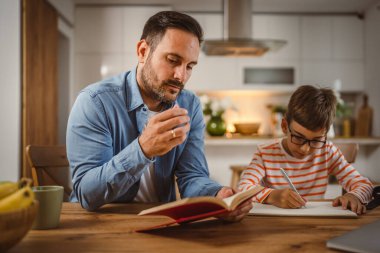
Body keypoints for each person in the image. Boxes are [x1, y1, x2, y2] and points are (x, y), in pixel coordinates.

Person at [66, 11, 251, 221]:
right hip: (100, 222)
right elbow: (86, 194)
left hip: (162, 223)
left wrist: (217, 196)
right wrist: (143, 150)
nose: (181, 76)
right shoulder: (95, 102)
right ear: (143, 51)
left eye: (190, 66)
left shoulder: (189, 105)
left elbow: (192, 177)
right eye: (173, 60)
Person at [238, 85, 373, 215]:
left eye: (315, 140)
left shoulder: (327, 151)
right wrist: (273, 196)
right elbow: (243, 188)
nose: (305, 149)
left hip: (315, 226)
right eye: (298, 137)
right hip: (275, 226)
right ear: (285, 126)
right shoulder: (265, 152)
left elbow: (364, 184)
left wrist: (354, 196)